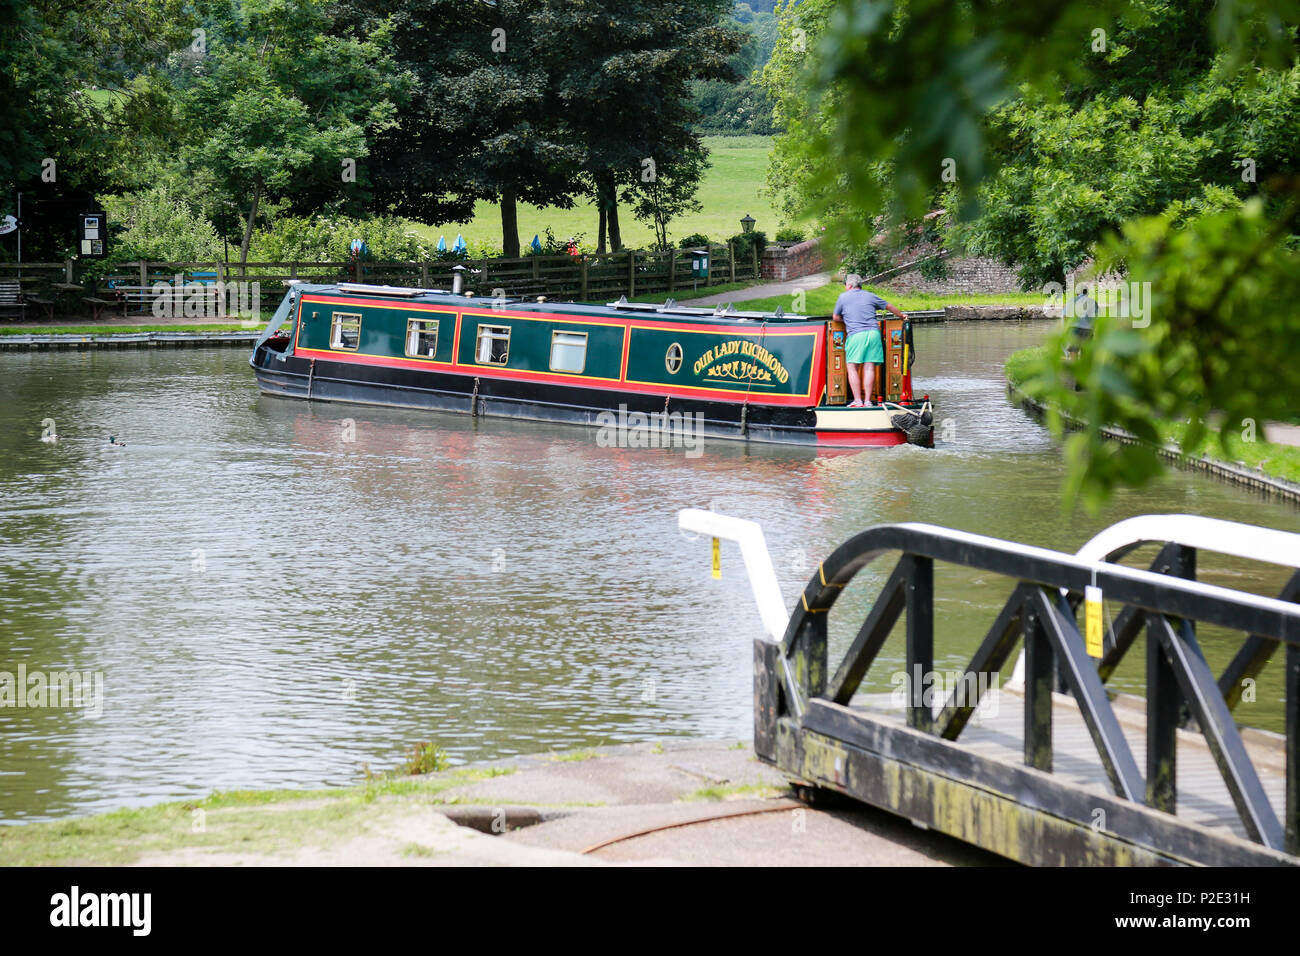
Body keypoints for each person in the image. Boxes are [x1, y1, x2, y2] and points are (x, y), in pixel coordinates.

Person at [832, 274, 907, 407]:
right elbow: (889, 306)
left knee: (852, 367)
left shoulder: (843, 297)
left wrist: (848, 321)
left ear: (849, 286)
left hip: (856, 335)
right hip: (873, 333)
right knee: (869, 367)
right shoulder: (870, 295)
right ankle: (867, 401)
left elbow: (836, 317)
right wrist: (901, 316)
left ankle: (857, 401)